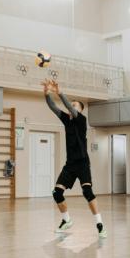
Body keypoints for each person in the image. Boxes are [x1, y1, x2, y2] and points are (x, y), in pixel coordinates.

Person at [43, 78, 106, 238]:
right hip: (70, 165)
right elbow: (52, 107)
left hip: (83, 163)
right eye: (73, 105)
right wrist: (47, 93)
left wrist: (60, 92)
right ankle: (66, 220)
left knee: (87, 192)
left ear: (79, 110)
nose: (72, 106)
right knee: (57, 193)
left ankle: (100, 224)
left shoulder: (81, 120)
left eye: (75, 105)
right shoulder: (66, 120)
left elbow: (69, 107)